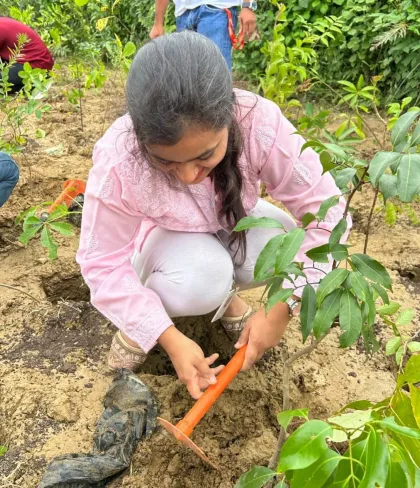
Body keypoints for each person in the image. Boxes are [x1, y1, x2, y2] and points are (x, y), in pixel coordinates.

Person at [77, 32, 350, 400]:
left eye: (205, 156)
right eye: (166, 161)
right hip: (162, 241)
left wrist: (283, 307)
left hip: (228, 222)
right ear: (141, 140)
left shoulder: (257, 123)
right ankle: (140, 325)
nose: (189, 175)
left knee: (283, 247)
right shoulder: (121, 159)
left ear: (229, 117)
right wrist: (169, 338)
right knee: (202, 277)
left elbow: (328, 215)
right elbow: (102, 260)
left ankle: (225, 301)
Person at [0, 17, 54, 93]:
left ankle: (25, 87)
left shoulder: (1, 28)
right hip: (31, 62)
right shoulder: (2, 22)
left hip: (36, 66)